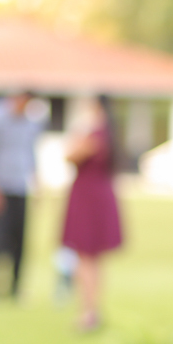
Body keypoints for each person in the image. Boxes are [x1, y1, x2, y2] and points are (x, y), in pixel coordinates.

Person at [60, 95, 123, 331]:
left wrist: (78, 133)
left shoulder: (94, 135)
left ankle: (89, 312)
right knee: (93, 260)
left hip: (88, 199)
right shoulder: (109, 133)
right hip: (99, 196)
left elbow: (70, 155)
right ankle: (93, 309)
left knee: (84, 257)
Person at [0, 91, 44, 299]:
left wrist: (36, 183)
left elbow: (31, 156)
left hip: (20, 188)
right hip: (1, 188)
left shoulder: (31, 126)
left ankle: (15, 288)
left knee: (20, 240)